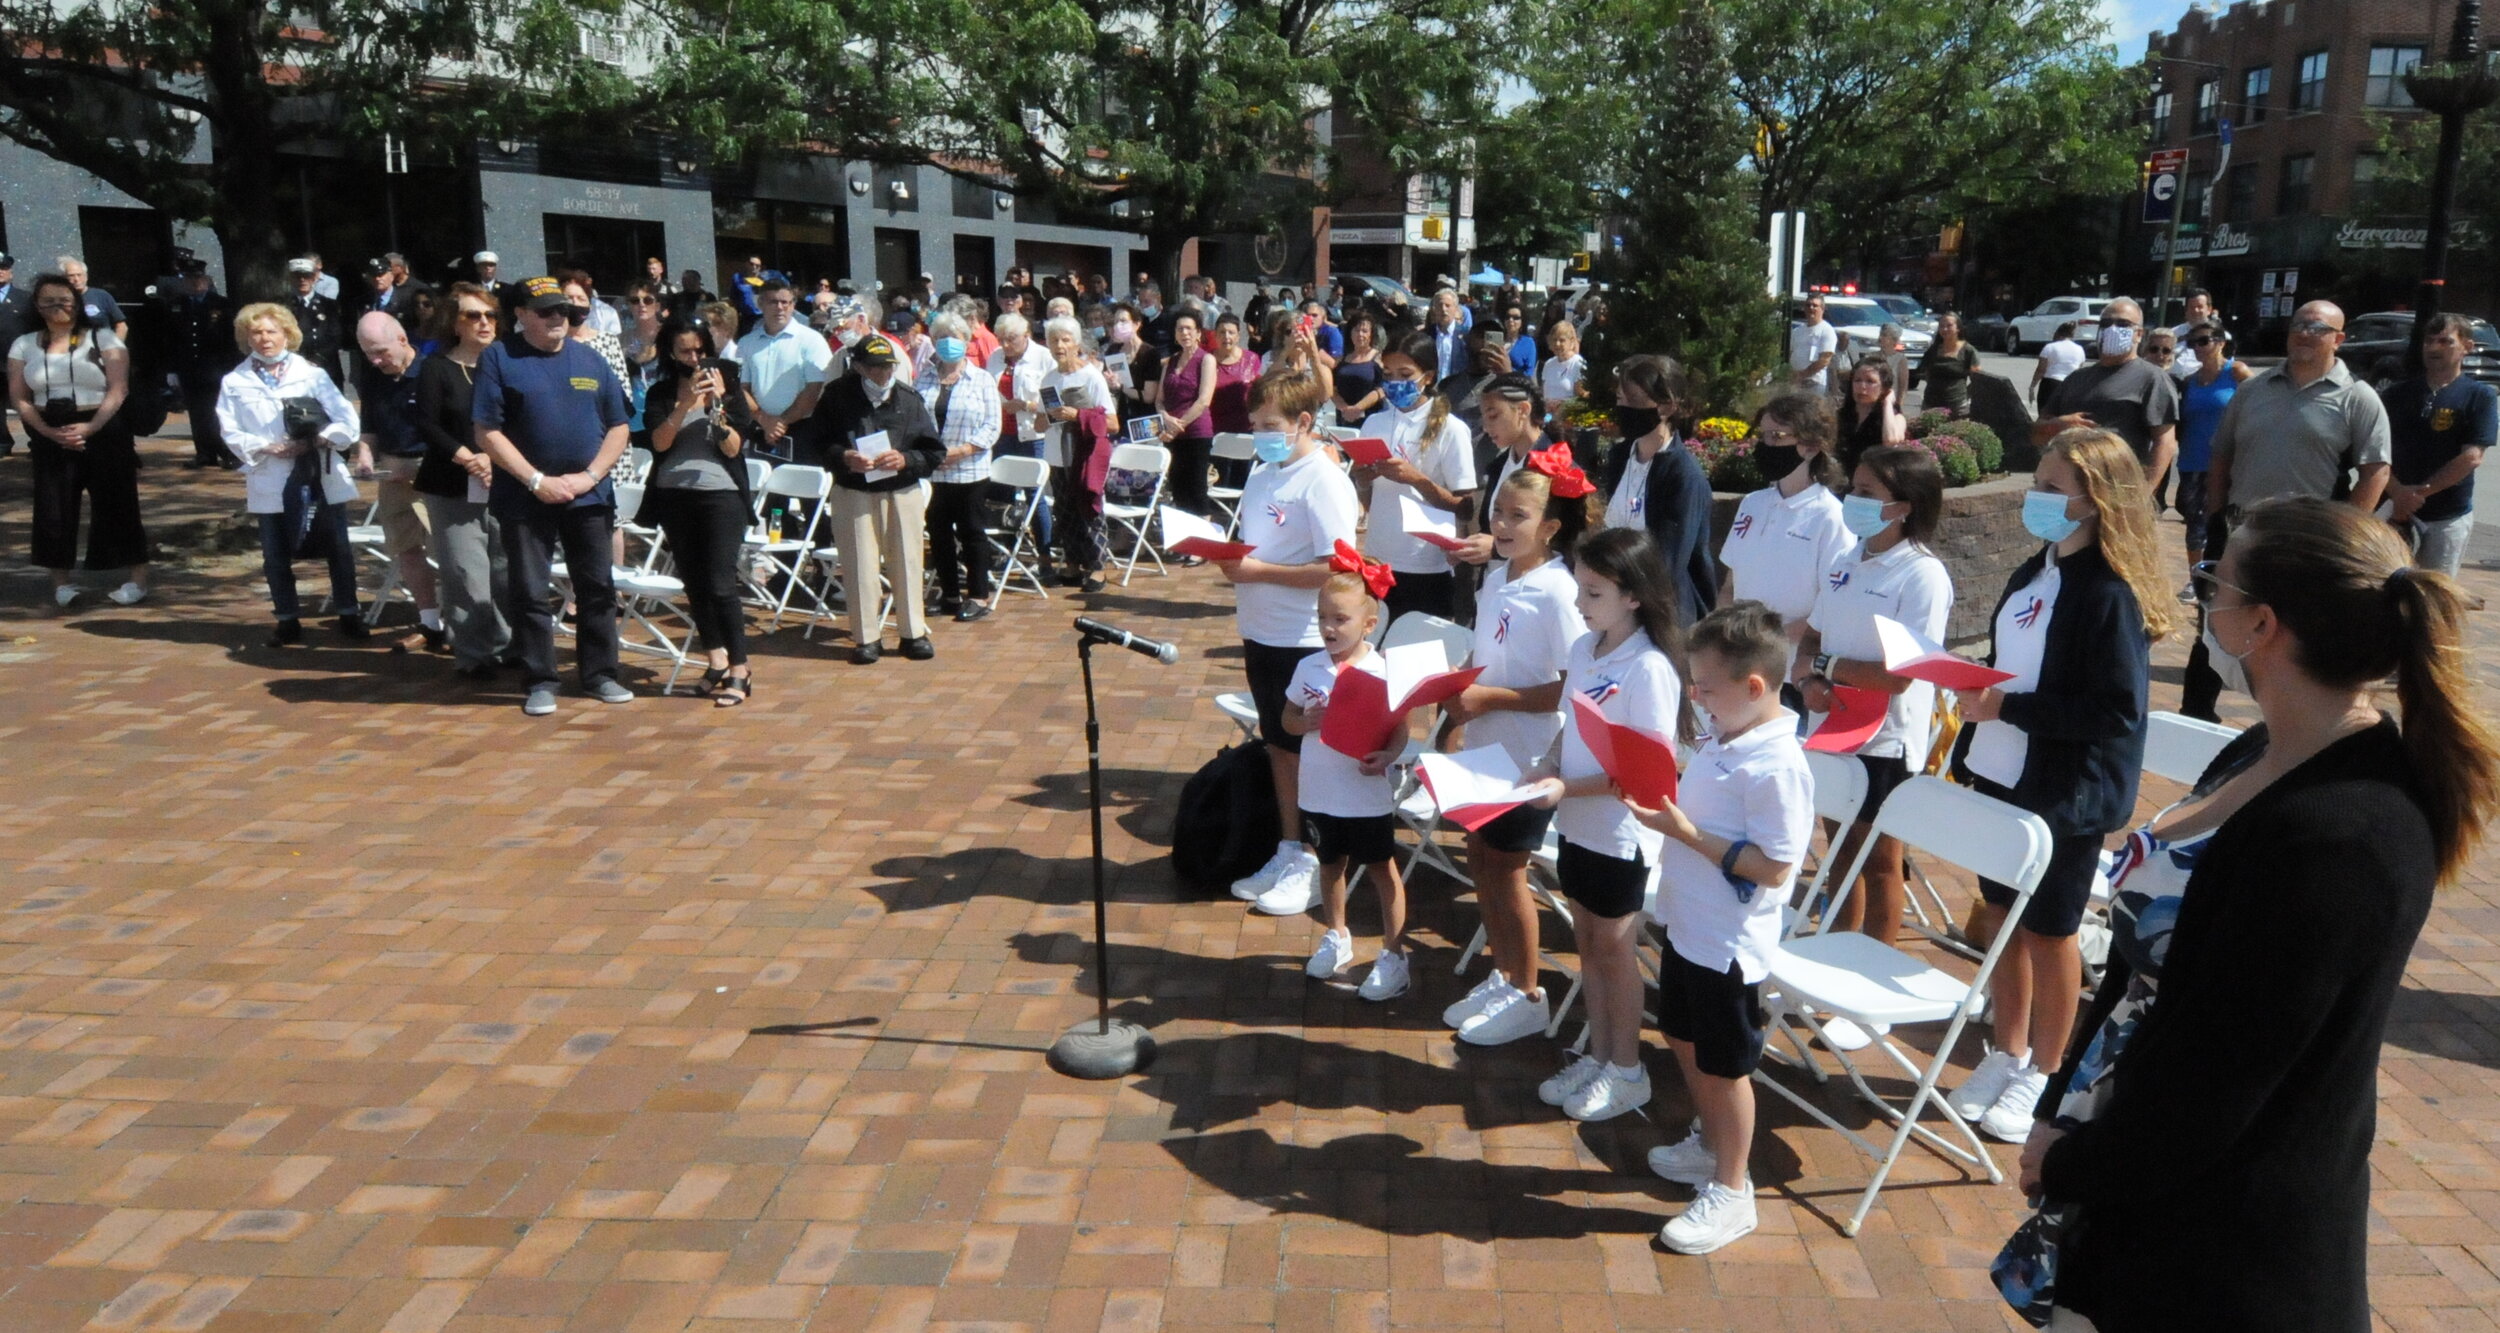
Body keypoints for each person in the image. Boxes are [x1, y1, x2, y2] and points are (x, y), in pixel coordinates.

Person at [2010, 498, 2500, 1333]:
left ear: (2262, 623)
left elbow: (2221, 1083)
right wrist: (2057, 1109)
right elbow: (2135, 980)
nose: (2203, 596)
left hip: (2221, 1249)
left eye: (2215, 578)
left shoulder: (2345, 834)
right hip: (2139, 1186)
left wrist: (2075, 1161)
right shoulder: (2261, 751)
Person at [1942, 427, 2174, 1146]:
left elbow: (2115, 710)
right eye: (2035, 483)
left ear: (2096, 500)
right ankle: (2006, 1049)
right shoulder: (2033, 572)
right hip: (2005, 775)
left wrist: (2006, 706)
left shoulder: (2108, 594)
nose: (2035, 499)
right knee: (2003, 920)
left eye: (2050, 489)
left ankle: (2045, 1069)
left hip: (2063, 795)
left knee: (2050, 932)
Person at [1627, 601, 1815, 1255]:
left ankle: (1733, 1190)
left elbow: (1775, 865)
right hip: (1689, 923)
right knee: (1680, 1032)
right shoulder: (1726, 734)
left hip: (1730, 945)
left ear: (1753, 686)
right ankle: (1711, 1142)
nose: (1696, 695)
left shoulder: (1777, 766)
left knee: (1725, 1064)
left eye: (1705, 684)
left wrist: (1687, 834)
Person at [1523, 524, 1687, 1117]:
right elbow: (1572, 727)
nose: (1579, 602)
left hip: (1621, 833)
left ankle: (1628, 1067)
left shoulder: (1650, 668)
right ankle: (1597, 1055)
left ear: (1634, 596)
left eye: (1593, 593)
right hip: (1575, 824)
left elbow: (1642, 772)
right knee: (1587, 942)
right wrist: (1547, 764)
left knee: (1616, 949)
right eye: (1580, 589)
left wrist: (1565, 784)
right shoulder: (1582, 650)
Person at [1443, 453, 1601, 1045]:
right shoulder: (1497, 578)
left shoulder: (1559, 592)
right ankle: (1504, 973)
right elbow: (1487, 654)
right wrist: (1460, 684)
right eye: (1499, 512)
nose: (1503, 525)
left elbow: (1567, 686)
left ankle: (1529, 993)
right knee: (1479, 858)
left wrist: (1489, 699)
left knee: (1508, 870)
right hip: (1485, 743)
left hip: (1527, 754)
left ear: (1551, 527)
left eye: (1519, 516)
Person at [2185, 299, 2391, 721]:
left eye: (2317, 327)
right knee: (2218, 622)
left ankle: (2291, 725)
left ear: (2339, 339)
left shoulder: (2357, 397)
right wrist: (2217, 515)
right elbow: (2221, 455)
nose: (2305, 333)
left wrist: (2346, 531)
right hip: (2242, 526)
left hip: (2307, 539)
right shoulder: (2253, 390)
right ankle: (2195, 711)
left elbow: (2376, 471)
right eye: (2299, 324)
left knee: (2297, 632)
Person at [1793, 445, 1953, 956]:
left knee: (1881, 861)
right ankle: (1835, 954)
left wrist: (1826, 669)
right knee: (1839, 852)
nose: (1852, 499)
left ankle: (1873, 966)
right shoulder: (1848, 559)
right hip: (1835, 727)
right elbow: (1812, 638)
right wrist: (1808, 680)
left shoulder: (1922, 575)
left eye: (1866, 492)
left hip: (1886, 742)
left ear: (1903, 506)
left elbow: (1901, 676)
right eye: (1853, 488)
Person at [1218, 370, 1364, 919]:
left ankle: (1317, 861)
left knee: (1312, 753)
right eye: (1254, 426)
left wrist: (1258, 569)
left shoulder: (1323, 480)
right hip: (1261, 629)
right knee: (1280, 746)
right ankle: (1288, 846)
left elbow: (1341, 567)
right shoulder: (1263, 473)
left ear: (1305, 422)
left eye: (1270, 426)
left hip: (1304, 636)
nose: (1260, 436)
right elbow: (1263, 544)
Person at [474, 276, 634, 717]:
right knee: (528, 589)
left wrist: (590, 475)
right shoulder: (500, 358)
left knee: (598, 587)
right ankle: (540, 679)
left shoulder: (591, 359)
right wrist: (535, 480)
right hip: (526, 497)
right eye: (546, 311)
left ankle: (600, 674)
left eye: (563, 310)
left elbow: (619, 424)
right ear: (521, 315)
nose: (558, 318)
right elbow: (487, 430)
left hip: (590, 494)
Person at [1282, 546, 1416, 1002]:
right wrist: (1308, 722)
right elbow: (1286, 720)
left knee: (1382, 869)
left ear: (1368, 624)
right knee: (1329, 863)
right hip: (1319, 791)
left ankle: (1394, 953)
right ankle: (1336, 935)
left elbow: (1400, 731)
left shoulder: (1382, 670)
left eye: (1340, 619)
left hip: (1364, 793)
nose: (1328, 628)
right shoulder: (1308, 667)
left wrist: (1388, 756)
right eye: (1322, 617)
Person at [218, 302, 365, 645]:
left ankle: (348, 612)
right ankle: (287, 618)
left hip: (317, 474)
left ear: (287, 334)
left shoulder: (312, 374)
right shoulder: (234, 382)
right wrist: (264, 446)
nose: (265, 339)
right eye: (256, 332)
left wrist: (318, 439)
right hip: (269, 473)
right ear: (246, 337)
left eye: (272, 331)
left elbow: (346, 419)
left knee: (338, 548)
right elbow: (228, 429)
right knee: (274, 553)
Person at [12, 272, 148, 608]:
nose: (57, 306)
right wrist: (46, 431)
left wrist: (91, 427)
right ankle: (61, 583)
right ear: (36, 305)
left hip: (102, 426)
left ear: (77, 301)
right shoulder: (25, 343)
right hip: (50, 428)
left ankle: (137, 579)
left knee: (118, 502)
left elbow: (119, 388)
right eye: (48, 301)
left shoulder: (103, 339)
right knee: (54, 507)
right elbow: (20, 398)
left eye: (64, 299)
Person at [645, 315, 758, 704]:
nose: (694, 359)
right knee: (693, 583)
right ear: (671, 353)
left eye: (700, 351)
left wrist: (717, 408)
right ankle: (716, 659)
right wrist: (684, 405)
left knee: (720, 582)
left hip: (720, 495)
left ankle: (740, 669)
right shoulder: (661, 392)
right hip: (674, 494)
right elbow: (659, 444)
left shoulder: (728, 391)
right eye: (685, 351)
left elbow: (733, 448)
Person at [818, 332, 946, 663]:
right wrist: (845, 457)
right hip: (855, 491)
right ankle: (866, 637)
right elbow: (817, 444)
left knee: (907, 561)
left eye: (887, 367)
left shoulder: (907, 398)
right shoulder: (836, 396)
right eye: (874, 368)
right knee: (860, 563)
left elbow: (932, 452)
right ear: (858, 367)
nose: (882, 375)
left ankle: (912, 633)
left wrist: (906, 459)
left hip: (901, 491)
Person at [413, 284, 514, 679]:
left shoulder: (507, 365)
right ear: (454, 323)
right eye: (473, 315)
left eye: (490, 315)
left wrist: (494, 456)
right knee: (466, 573)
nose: (484, 323)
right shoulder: (437, 366)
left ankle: (509, 646)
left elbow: (520, 419)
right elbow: (427, 423)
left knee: (506, 570)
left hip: (505, 480)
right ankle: (473, 653)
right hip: (452, 483)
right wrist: (468, 457)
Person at [1718, 392, 1853, 677]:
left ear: (1811, 447)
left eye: (1776, 436)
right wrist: (1726, 633)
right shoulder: (1752, 503)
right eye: (1763, 436)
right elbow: (1731, 584)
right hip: (1739, 663)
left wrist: (1765, 640)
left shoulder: (1830, 517)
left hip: (1791, 672)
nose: (1766, 446)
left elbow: (1832, 607)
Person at [1356, 330, 1478, 623]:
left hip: (1426, 564)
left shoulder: (1450, 428)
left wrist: (1416, 479)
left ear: (1428, 376)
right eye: (1389, 374)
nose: (1396, 383)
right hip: (1378, 557)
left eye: (1405, 374)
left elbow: (1465, 505)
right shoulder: (1375, 422)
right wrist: (1362, 480)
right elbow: (1370, 500)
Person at [351, 312, 447, 653]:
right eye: (367, 354)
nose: (376, 360)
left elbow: (449, 432)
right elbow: (369, 426)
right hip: (391, 473)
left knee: (447, 552)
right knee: (406, 550)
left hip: (434, 472)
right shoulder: (375, 376)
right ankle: (429, 621)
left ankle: (457, 623)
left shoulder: (434, 371)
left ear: (403, 340)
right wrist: (364, 454)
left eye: (381, 351)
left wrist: (419, 471)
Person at [1599, 354, 1718, 627]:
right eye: (1620, 399)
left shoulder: (1683, 476)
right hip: (1616, 608)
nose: (1623, 408)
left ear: (1666, 407)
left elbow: (1667, 563)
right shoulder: (1619, 456)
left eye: (1633, 401)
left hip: (1661, 617)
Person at [2384, 311, 2495, 578]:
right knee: (2380, 587)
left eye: (2446, 341)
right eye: (2429, 341)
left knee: (2433, 595)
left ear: (2467, 347)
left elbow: (2471, 457)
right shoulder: (2396, 394)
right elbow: (2373, 450)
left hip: (2447, 516)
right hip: (2393, 509)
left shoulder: (2480, 396)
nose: (2434, 348)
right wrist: (2398, 492)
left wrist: (2419, 494)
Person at [2035, 297, 2179, 498]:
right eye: (2105, 323)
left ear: (2138, 334)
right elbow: (2035, 433)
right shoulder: (2076, 378)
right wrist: (2057, 425)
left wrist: (2145, 493)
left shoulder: (2152, 378)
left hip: (2117, 492)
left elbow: (2165, 442)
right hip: (2068, 491)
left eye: (2122, 324)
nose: (2112, 329)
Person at [917, 312, 1004, 620]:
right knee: (938, 534)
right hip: (933, 471)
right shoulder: (924, 376)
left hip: (970, 469)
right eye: (941, 337)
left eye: (955, 337)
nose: (948, 343)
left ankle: (979, 596)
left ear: (967, 341)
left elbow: (992, 426)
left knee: (971, 533)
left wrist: (962, 450)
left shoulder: (981, 379)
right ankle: (950, 594)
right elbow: (916, 419)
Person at [1041, 316, 1114, 591]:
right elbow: (1039, 421)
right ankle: (1072, 563)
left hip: (1085, 454)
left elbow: (1112, 421)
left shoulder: (1091, 376)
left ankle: (1097, 568)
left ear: (1076, 344)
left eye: (1065, 340)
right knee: (1065, 510)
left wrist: (1077, 415)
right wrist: (1049, 415)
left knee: (1090, 508)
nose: (1059, 346)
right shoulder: (1049, 378)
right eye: (1053, 340)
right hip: (1057, 454)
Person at [2176, 318, 2255, 574]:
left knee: (2229, 524)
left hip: (2229, 463)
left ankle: (2227, 577)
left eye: (2203, 341)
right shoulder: (2189, 381)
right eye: (2192, 343)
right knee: (2195, 526)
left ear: (2220, 343)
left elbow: (2259, 406)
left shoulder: (2237, 372)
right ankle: (2195, 579)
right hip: (2193, 462)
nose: (2197, 347)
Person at [989, 311, 1060, 577]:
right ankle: (1005, 553)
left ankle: (1044, 557)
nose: (1006, 345)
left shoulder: (1043, 358)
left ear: (1025, 336)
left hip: (1033, 435)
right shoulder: (995, 358)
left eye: (1011, 339)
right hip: (1002, 435)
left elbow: (1055, 402)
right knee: (1001, 494)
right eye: (1002, 339)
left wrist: (1028, 406)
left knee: (1035, 496)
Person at [733, 279, 833, 465]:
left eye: (785, 302)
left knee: (800, 490)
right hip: (759, 428)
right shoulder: (746, 343)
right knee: (762, 490)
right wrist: (764, 420)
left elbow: (814, 388)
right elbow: (741, 387)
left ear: (793, 305)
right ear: (760, 304)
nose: (780, 307)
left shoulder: (812, 340)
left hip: (801, 429)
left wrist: (781, 422)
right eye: (773, 302)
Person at [164, 259, 240, 469]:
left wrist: (231, 367)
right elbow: (171, 340)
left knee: (219, 411)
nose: (194, 283)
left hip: (217, 368)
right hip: (189, 368)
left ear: (206, 279)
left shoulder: (222, 305)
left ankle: (227, 452)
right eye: (189, 279)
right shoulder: (177, 305)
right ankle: (204, 453)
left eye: (198, 278)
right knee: (197, 412)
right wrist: (171, 369)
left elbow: (231, 339)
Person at [1153, 309, 1219, 518]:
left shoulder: (1206, 360)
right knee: (1178, 489)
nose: (1185, 333)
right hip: (1171, 433)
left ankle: (1201, 546)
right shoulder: (1170, 362)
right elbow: (1159, 399)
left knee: (1197, 490)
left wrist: (1177, 425)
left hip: (1196, 432)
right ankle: (1184, 542)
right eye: (1180, 329)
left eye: (1189, 329)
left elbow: (1203, 401)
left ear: (1199, 333)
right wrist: (1164, 416)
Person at [1206, 314, 1263, 488]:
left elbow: (1259, 392)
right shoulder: (1206, 360)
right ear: (1215, 335)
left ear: (1238, 335)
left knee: (1241, 481)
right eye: (1222, 332)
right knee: (1217, 480)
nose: (1226, 337)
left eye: (1231, 332)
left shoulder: (1252, 359)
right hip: (1214, 429)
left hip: (1244, 429)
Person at [1836, 357, 1909, 478]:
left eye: (1870, 381)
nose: (1862, 387)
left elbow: (1891, 440)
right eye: (1857, 380)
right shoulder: (1841, 415)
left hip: (1872, 483)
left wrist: (1887, 403)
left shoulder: (1896, 418)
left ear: (1884, 388)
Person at [287, 258, 348, 390]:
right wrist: (299, 361)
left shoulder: (329, 305)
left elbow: (336, 335)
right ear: (291, 278)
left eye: (307, 276)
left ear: (314, 278)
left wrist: (317, 360)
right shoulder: (284, 306)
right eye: (298, 276)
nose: (302, 280)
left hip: (326, 367)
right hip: (294, 368)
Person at [1917, 312, 1982, 416]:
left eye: (1949, 325)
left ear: (1958, 328)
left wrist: (1964, 396)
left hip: (1957, 406)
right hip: (1930, 404)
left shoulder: (1968, 351)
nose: (1945, 329)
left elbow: (1977, 379)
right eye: (1941, 326)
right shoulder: (1933, 350)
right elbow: (1926, 373)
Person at [1330, 312, 1385, 422]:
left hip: (1370, 418)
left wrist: (1357, 408)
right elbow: (1333, 388)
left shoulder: (1379, 359)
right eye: (1356, 330)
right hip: (1343, 417)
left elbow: (1382, 389)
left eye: (1364, 331)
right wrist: (1345, 408)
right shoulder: (1342, 359)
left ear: (1371, 335)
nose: (1360, 334)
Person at [56, 256, 126, 340]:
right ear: (63, 278)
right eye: (71, 276)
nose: (76, 279)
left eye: (79, 275)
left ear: (86, 277)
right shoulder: (58, 300)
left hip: (101, 346)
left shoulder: (101, 295)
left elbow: (121, 326)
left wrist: (116, 347)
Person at [2031, 321, 2085, 416]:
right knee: (2064, 416)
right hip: (2070, 385)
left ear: (2058, 333)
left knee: (2046, 416)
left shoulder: (2050, 347)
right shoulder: (2080, 349)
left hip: (2050, 384)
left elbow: (2041, 370)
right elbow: (2079, 370)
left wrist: (2032, 386)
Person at [2166, 287, 2221, 379]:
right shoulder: (2173, 333)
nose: (2195, 310)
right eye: (2191, 307)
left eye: (2200, 307)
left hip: (2201, 382)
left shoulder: (2219, 336)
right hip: (2172, 382)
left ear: (2209, 310)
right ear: (2186, 310)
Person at [1789, 294, 1838, 393]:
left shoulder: (1826, 330)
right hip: (1795, 384)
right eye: (1808, 305)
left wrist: (1802, 375)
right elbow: (1791, 353)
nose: (1811, 308)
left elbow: (1825, 360)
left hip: (1814, 384)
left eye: (1815, 305)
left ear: (1822, 309)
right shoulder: (1797, 331)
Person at [1539, 320, 1586, 410]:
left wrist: (1561, 405)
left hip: (1568, 416)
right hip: (1547, 416)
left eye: (1562, 340)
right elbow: (1543, 394)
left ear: (1571, 341)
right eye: (1554, 340)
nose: (1557, 344)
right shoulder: (1548, 364)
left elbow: (1581, 397)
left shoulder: (1578, 363)